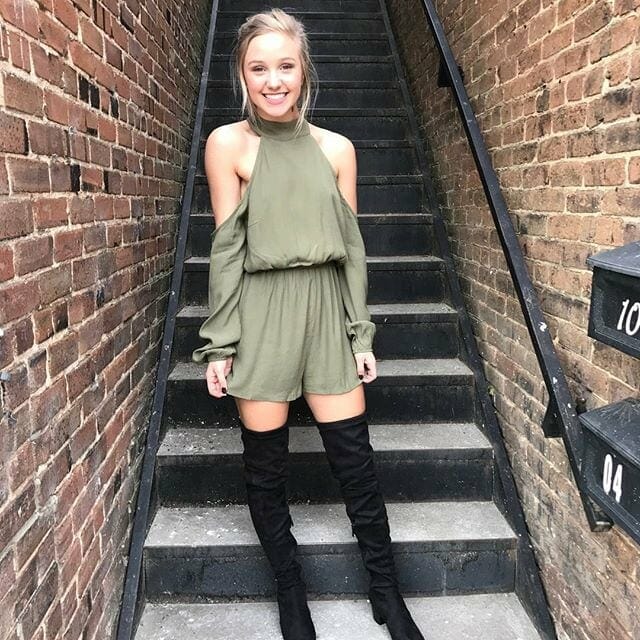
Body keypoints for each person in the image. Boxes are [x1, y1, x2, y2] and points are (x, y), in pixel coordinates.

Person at [192, 8, 425, 640]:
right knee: (266, 471)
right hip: (262, 313)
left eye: (285, 66)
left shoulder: (337, 149)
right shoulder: (227, 145)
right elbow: (226, 251)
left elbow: (351, 251)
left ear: (304, 71)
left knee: (356, 465)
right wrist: (220, 343)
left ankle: (387, 592)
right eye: (258, 68)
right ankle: (290, 592)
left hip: (326, 311)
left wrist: (360, 332)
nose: (273, 80)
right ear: (242, 75)